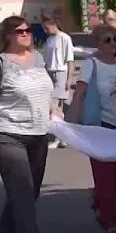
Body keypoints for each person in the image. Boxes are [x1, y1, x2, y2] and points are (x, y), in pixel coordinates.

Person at [0, 16, 56, 233]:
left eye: (28, 30)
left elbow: (45, 90)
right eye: (19, 31)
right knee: (22, 192)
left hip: (39, 134)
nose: (26, 34)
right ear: (8, 35)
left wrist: (54, 110)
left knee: (29, 192)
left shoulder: (39, 59)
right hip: (9, 134)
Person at [69, 25, 116, 233]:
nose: (113, 43)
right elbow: (79, 93)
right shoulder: (91, 64)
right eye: (107, 39)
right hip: (100, 126)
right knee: (105, 177)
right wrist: (73, 124)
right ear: (98, 43)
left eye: (115, 39)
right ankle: (109, 220)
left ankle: (99, 198)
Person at [42, 16, 75, 148]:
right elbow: (46, 60)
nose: (45, 31)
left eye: (46, 28)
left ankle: (59, 137)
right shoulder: (49, 40)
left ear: (53, 24)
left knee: (56, 107)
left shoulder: (64, 38)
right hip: (49, 73)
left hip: (61, 73)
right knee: (54, 107)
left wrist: (69, 78)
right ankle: (61, 137)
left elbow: (70, 60)